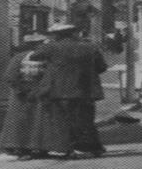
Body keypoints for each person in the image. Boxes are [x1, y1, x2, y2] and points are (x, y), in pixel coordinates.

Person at [32, 24, 108, 159]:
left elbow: (34, 56)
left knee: (62, 120)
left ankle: (66, 148)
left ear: (57, 35)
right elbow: (102, 67)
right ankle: (91, 147)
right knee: (86, 120)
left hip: (59, 90)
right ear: (73, 33)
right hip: (86, 90)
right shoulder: (90, 46)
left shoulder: (51, 47)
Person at [0, 34, 48, 160]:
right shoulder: (25, 57)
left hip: (27, 92)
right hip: (30, 93)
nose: (42, 45)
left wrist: (21, 89)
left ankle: (27, 147)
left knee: (27, 121)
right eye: (40, 43)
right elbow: (11, 76)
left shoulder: (19, 57)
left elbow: (10, 76)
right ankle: (24, 147)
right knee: (29, 121)